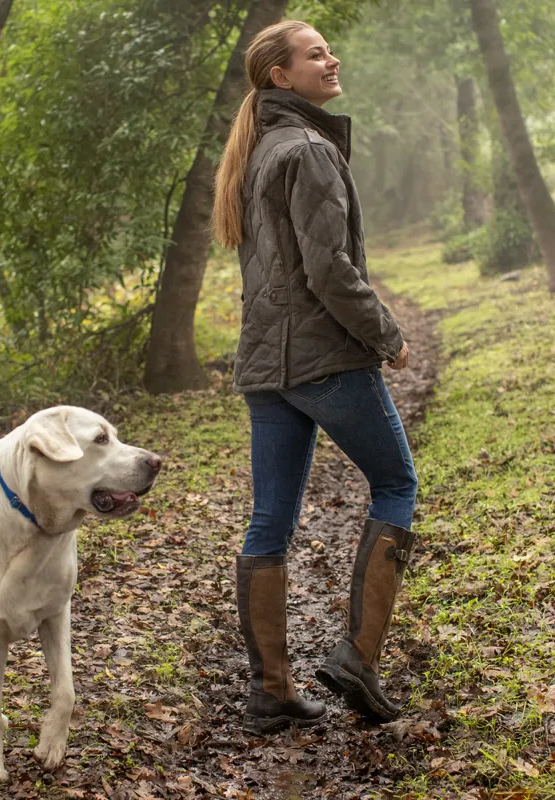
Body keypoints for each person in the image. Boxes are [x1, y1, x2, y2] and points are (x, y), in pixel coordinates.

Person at [211, 20, 418, 735]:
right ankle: (358, 657)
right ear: (280, 76)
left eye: (330, 48)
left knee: (270, 521)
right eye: (315, 54)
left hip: (266, 366)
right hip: (324, 359)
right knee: (397, 485)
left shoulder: (263, 148)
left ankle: (272, 692)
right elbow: (329, 270)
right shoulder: (307, 149)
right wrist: (385, 334)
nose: (331, 59)